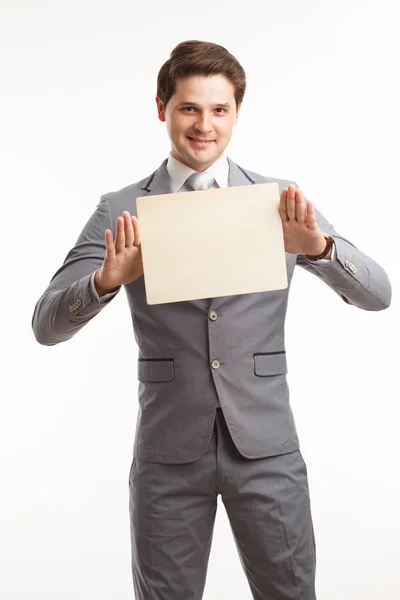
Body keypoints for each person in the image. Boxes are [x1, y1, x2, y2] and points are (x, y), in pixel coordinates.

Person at [32, 40, 392, 600]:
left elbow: (378, 294)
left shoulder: (278, 201)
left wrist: (318, 247)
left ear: (236, 114)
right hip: (167, 456)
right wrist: (104, 281)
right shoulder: (120, 207)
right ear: (162, 109)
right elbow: (46, 325)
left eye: (219, 109)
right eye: (189, 108)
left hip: (267, 449)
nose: (204, 125)